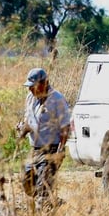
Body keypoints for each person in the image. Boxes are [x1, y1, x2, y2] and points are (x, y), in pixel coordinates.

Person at [16, 67, 71, 205]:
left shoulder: (57, 99)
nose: (30, 90)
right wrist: (22, 128)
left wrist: (61, 149)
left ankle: (45, 204)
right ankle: (54, 202)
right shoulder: (30, 98)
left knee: (43, 186)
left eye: (32, 86)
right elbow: (28, 120)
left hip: (51, 149)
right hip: (34, 149)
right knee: (26, 182)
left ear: (43, 84)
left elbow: (65, 126)